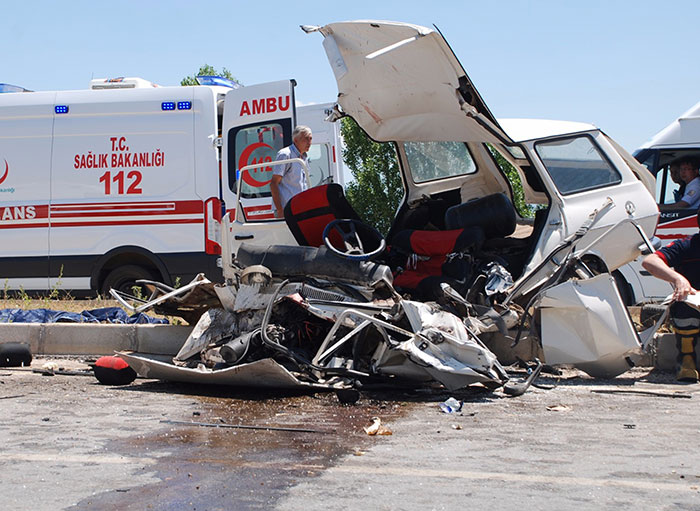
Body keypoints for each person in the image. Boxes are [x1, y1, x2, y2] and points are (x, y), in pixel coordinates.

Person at [642, 209, 700, 382]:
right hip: (694, 305)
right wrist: (678, 279)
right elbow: (650, 261)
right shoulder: (688, 245)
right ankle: (686, 360)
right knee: (683, 303)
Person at [270, 126, 312, 218]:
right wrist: (280, 210)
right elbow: (273, 183)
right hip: (287, 211)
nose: (309, 143)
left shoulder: (304, 158)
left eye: (310, 139)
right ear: (296, 140)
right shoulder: (285, 154)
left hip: (300, 210)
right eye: (306, 139)